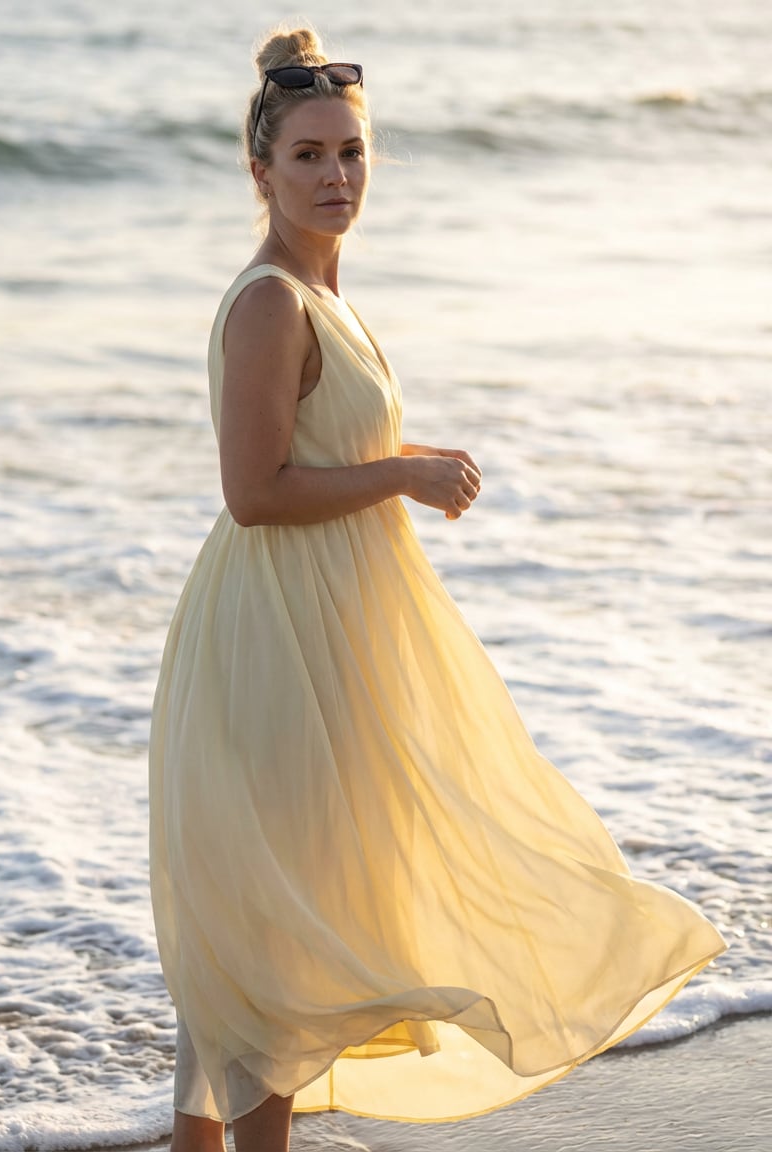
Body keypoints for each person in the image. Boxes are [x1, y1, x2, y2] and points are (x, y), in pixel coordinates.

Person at [148, 26, 726, 1152]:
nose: (334, 177)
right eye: (308, 156)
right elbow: (253, 492)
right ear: (257, 171)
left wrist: (395, 473)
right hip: (277, 648)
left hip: (329, 638)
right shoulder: (272, 300)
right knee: (277, 955)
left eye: (351, 154)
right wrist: (404, 473)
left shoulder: (328, 296)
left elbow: (309, 460)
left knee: (276, 942)